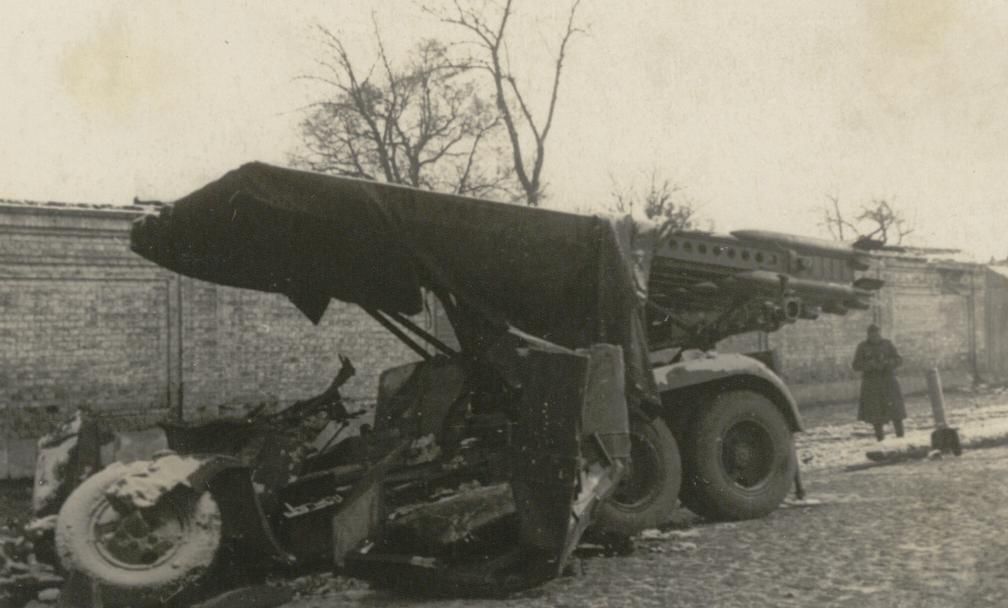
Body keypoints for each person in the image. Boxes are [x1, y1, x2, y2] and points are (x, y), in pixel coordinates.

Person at [852, 324, 906, 441]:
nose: (875, 337)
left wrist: (887, 362)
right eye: (872, 335)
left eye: (877, 334)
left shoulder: (887, 344)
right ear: (868, 335)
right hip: (872, 384)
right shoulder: (862, 347)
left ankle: (901, 436)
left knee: (896, 412)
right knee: (875, 413)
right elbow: (855, 365)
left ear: (880, 334)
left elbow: (899, 360)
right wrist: (869, 365)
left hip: (888, 381)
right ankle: (880, 438)